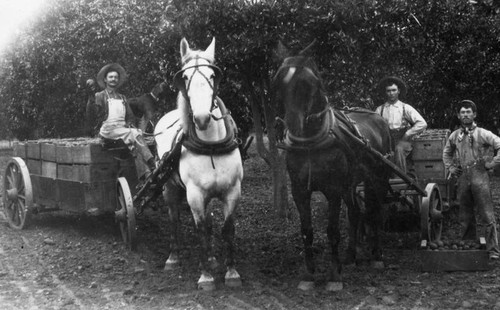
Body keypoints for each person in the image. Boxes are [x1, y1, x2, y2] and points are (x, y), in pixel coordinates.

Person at [442, 99, 500, 260]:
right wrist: (452, 168)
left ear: (474, 115)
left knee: (487, 213)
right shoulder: (455, 135)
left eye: (468, 112)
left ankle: (493, 250)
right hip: (463, 177)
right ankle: (468, 246)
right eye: (462, 112)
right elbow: (446, 153)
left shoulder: (483, 133)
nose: (465, 115)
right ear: (458, 116)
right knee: (465, 213)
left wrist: (491, 164)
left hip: (480, 175)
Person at [92, 63, 155, 183]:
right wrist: (93, 102)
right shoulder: (100, 96)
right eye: (110, 77)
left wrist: (130, 124)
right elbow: (96, 115)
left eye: (116, 77)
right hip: (107, 130)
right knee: (134, 134)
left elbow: (130, 117)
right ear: (105, 80)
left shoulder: (122, 98)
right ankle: (152, 162)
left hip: (122, 130)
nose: (113, 79)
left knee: (134, 145)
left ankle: (146, 175)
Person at [375, 76, 427, 173]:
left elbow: (422, 123)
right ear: (385, 92)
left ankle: (401, 178)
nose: (391, 93)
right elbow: (374, 127)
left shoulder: (405, 108)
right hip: (387, 141)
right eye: (388, 91)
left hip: (404, 141)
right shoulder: (380, 110)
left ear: (398, 91)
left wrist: (408, 134)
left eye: (394, 90)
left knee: (399, 149)